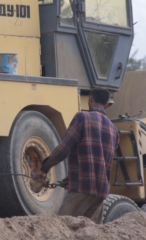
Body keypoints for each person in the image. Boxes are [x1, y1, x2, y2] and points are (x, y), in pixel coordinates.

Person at [34, 88, 119, 224]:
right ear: (106, 104)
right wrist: (72, 178)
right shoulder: (114, 130)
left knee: (62, 228)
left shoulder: (82, 118)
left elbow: (63, 148)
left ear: (90, 99)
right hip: (101, 192)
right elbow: (103, 162)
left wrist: (45, 168)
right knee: (89, 235)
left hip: (83, 187)